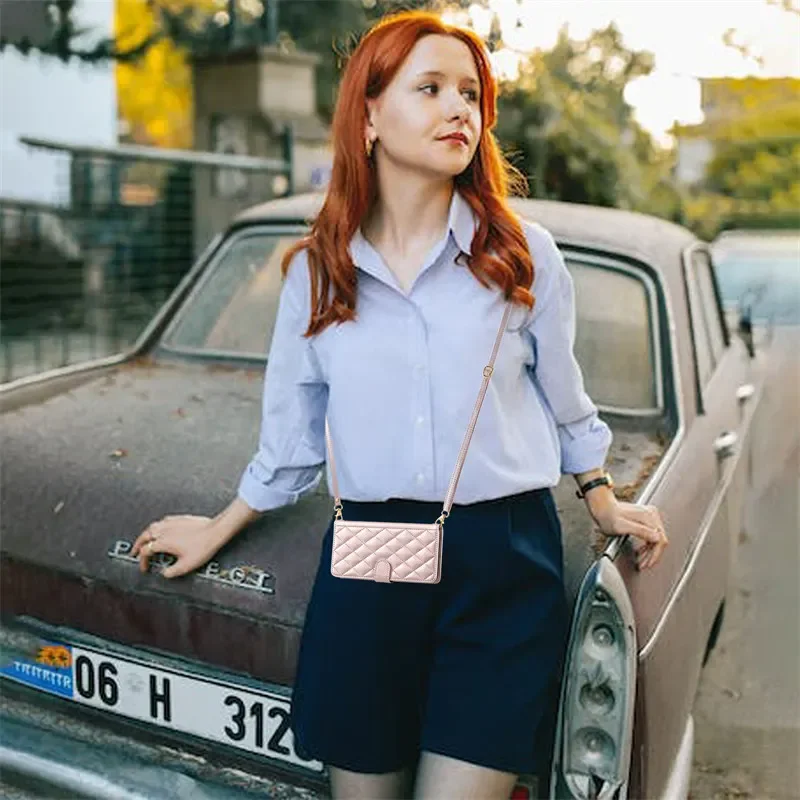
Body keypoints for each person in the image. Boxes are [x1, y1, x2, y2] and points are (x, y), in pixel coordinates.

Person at [132, 10, 668, 799]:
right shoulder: (316, 273)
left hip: (501, 562)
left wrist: (602, 496)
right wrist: (218, 527)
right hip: (369, 558)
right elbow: (290, 438)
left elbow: (564, 393)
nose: (460, 109)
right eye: (431, 88)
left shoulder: (521, 256)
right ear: (370, 117)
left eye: (471, 94)